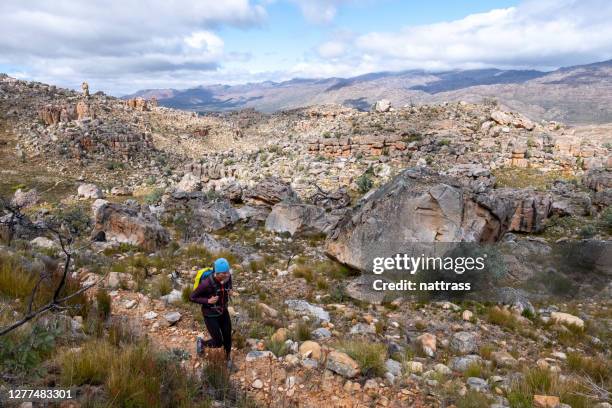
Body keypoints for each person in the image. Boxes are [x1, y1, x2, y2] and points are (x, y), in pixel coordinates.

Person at [189, 257, 234, 365]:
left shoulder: (228, 277)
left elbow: (229, 284)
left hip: (223, 311)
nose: (227, 274)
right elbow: (192, 297)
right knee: (218, 342)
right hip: (210, 315)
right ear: (217, 273)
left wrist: (230, 290)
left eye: (228, 272)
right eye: (224, 273)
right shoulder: (207, 284)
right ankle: (202, 343)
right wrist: (207, 301)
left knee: (228, 337)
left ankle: (227, 358)